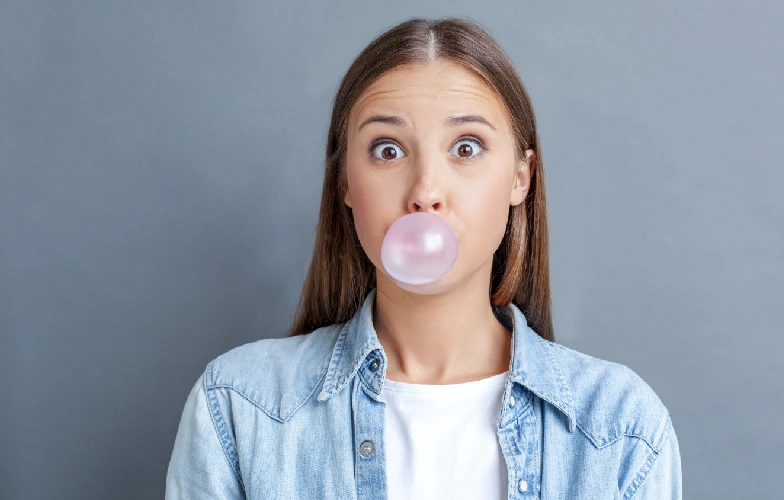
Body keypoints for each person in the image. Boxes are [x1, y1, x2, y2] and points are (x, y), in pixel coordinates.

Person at [165, 16, 681, 500]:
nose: (425, 192)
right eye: (388, 149)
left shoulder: (621, 430)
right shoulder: (238, 407)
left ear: (520, 178)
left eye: (466, 147)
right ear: (345, 180)